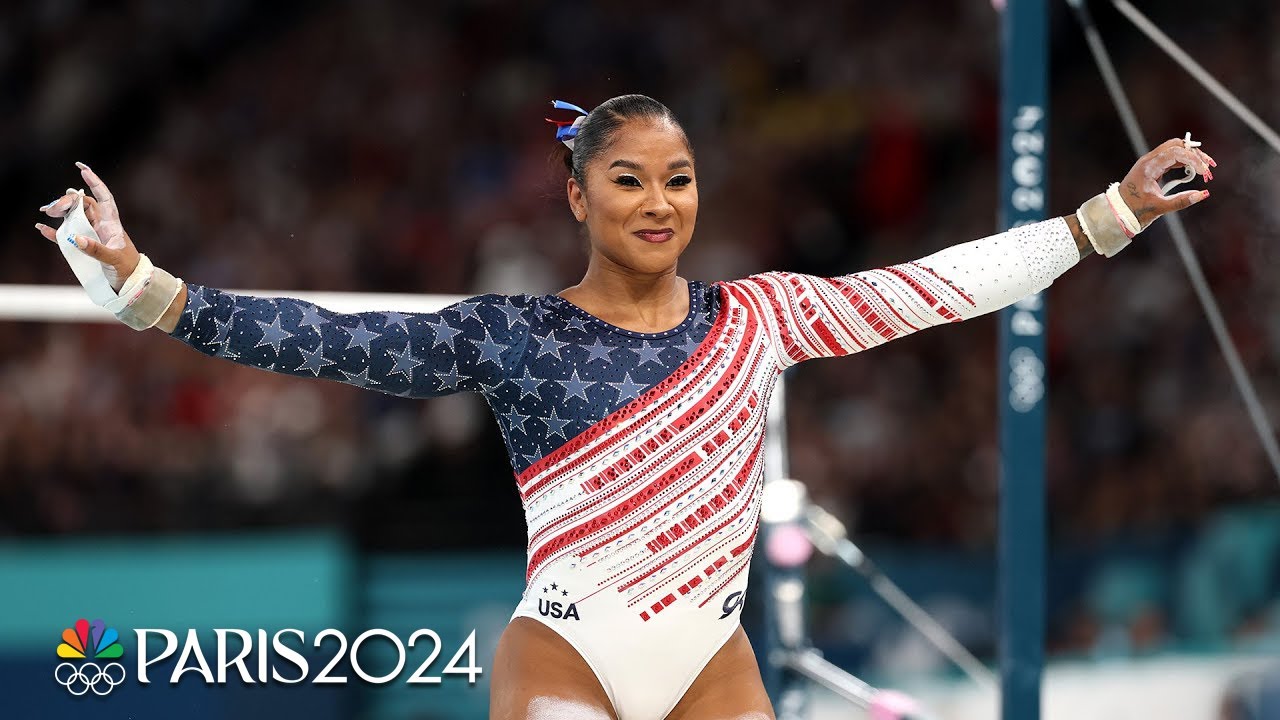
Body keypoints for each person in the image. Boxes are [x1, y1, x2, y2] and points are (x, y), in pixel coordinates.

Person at [35, 94, 1214, 720]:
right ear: (574, 196)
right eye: (628, 180)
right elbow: (338, 342)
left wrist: (1106, 213)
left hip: (710, 659)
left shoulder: (759, 317)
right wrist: (148, 294)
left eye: (679, 178)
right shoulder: (512, 335)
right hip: (566, 660)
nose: (659, 202)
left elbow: (932, 289)